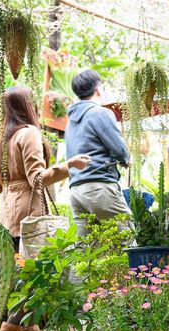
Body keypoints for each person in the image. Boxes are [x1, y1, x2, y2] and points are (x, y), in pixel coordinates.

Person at [0, 86, 90, 331]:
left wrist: (14, 186)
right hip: (30, 216)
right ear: (28, 105)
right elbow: (37, 178)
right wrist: (70, 166)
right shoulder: (29, 134)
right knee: (38, 278)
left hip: (9, 218)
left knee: (27, 272)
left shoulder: (4, 140)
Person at [64, 69, 131, 235]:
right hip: (99, 187)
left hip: (76, 190)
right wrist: (125, 159)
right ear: (98, 89)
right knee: (127, 240)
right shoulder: (100, 113)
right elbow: (119, 149)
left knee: (86, 250)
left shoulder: (70, 122)